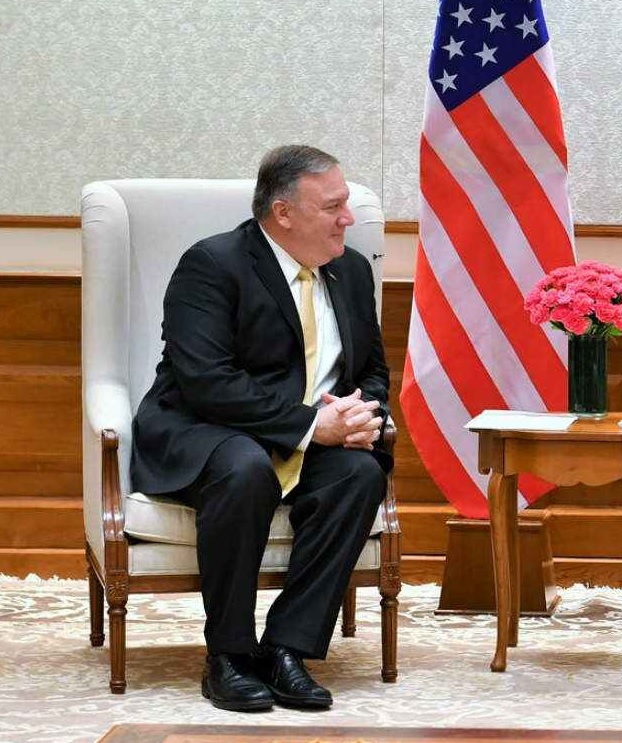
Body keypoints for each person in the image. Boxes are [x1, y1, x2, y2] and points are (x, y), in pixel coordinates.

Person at [131, 145, 391, 712]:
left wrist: (360, 415)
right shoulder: (213, 264)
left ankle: (285, 650)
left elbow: (371, 369)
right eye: (333, 207)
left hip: (309, 436)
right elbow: (207, 382)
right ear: (283, 213)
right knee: (245, 468)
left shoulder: (350, 270)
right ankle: (227, 656)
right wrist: (311, 425)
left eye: (346, 204)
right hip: (206, 429)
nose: (348, 218)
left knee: (359, 474)